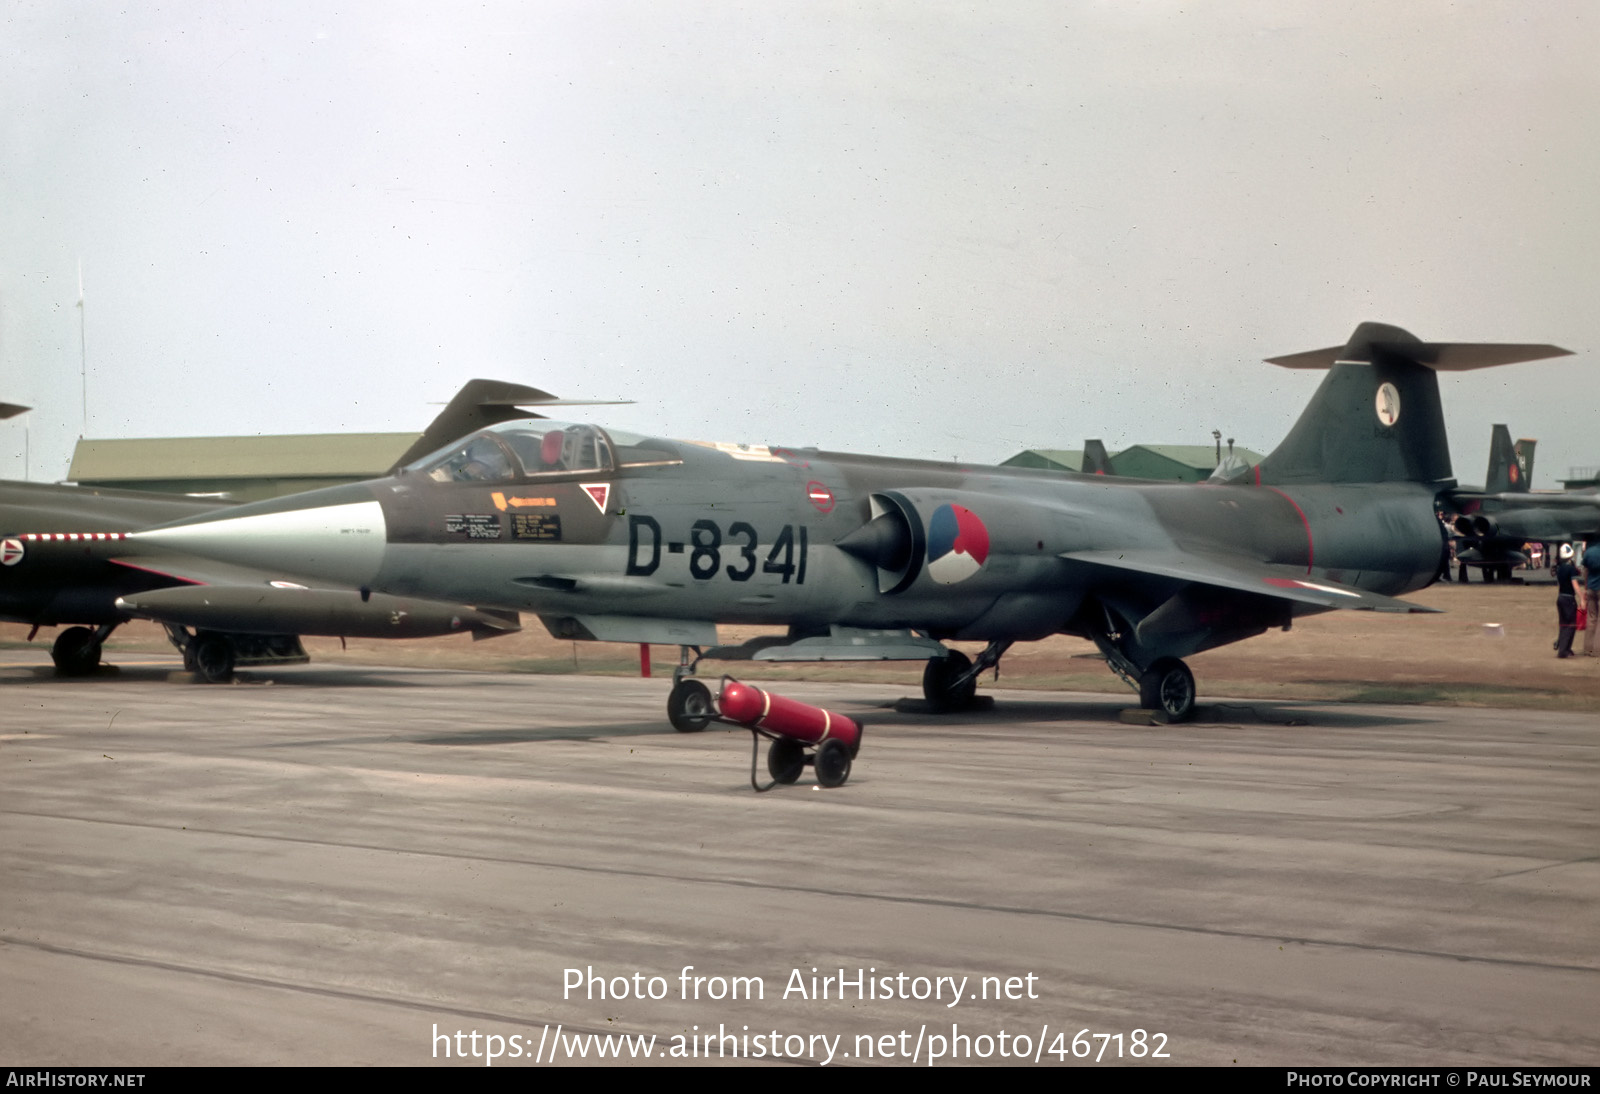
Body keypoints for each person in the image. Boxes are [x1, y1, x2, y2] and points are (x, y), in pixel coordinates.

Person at [1554, 543, 1580, 658]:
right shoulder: (1571, 569)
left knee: (1563, 624)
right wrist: (1581, 596)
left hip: (1560, 597)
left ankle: (1562, 646)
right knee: (1571, 624)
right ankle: (1564, 650)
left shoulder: (1559, 569)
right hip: (1569, 598)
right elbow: (1575, 584)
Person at [1583, 540, 1600, 657]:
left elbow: (1585, 571)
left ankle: (1587, 648)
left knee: (1591, 618)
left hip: (1591, 588)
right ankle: (1597, 649)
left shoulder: (1589, 552)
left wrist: (1586, 587)